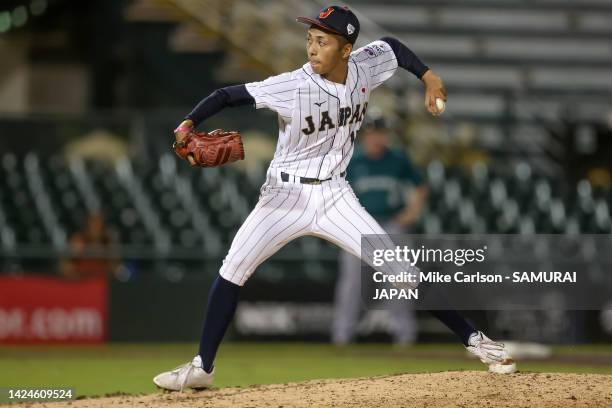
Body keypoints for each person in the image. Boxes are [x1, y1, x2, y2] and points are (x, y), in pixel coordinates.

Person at [154, 5, 516, 392]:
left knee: (400, 270)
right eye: (310, 39)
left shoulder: (363, 67)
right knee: (233, 268)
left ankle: (477, 342)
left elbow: (393, 47)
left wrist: (428, 76)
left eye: (322, 41)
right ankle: (202, 367)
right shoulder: (294, 84)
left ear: (346, 50)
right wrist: (189, 123)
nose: (312, 48)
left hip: (334, 196)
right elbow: (226, 95)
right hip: (283, 196)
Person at [332, 117, 427, 346]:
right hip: (359, 227)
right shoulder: (353, 160)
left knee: (401, 279)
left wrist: (411, 212)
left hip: (391, 225)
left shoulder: (397, 159)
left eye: (381, 133)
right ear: (365, 135)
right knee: (352, 282)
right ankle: (341, 337)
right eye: (373, 133)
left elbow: (421, 186)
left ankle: (405, 336)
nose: (377, 137)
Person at [60, 211, 118, 280]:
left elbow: (115, 267)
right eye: (93, 224)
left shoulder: (107, 242)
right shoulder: (78, 240)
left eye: (98, 224)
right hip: (80, 282)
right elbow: (65, 266)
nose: (95, 228)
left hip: (101, 282)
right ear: (87, 226)